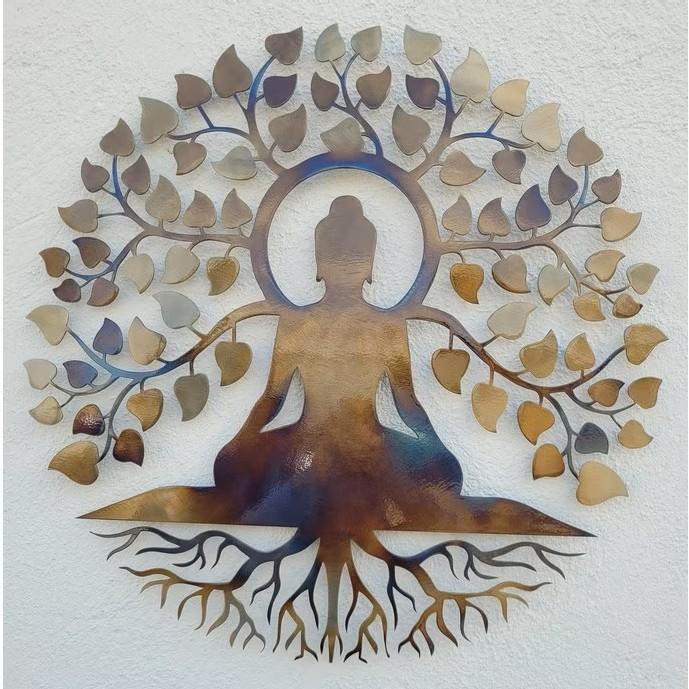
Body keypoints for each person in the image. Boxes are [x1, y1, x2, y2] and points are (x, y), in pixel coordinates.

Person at [84, 197, 586, 538]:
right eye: (337, 256)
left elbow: (408, 404)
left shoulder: (387, 328)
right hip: (305, 447)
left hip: (369, 446)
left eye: (358, 258)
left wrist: (436, 454)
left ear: (371, 266)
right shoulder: (298, 325)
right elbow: (272, 400)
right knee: (236, 469)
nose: (349, 266)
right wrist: (239, 445)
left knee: (441, 475)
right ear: (319, 263)